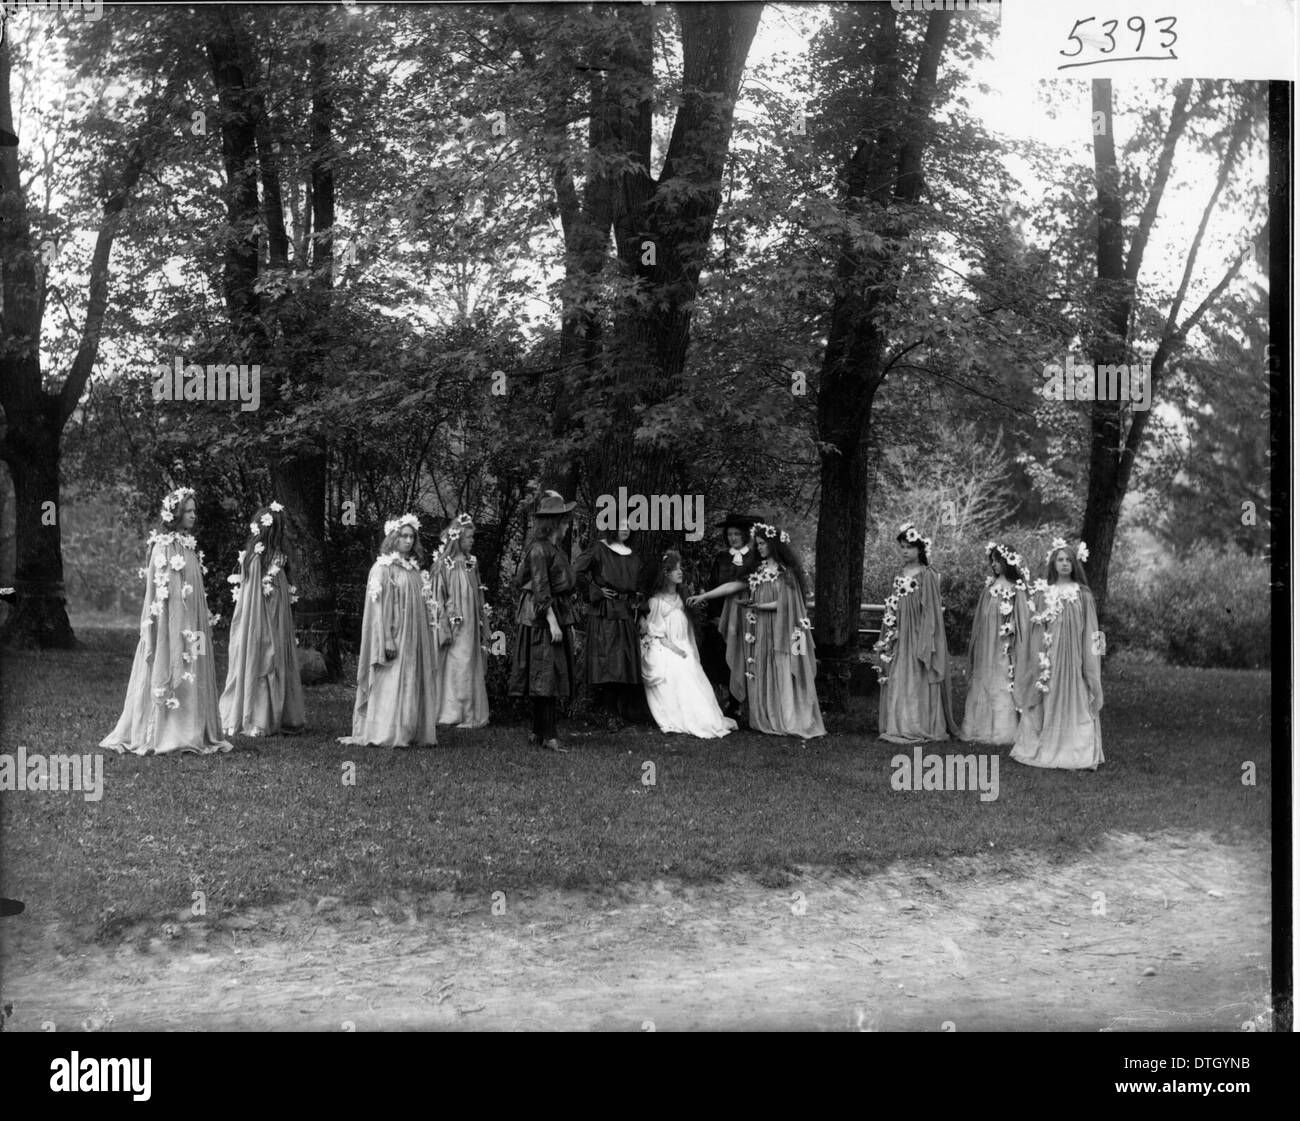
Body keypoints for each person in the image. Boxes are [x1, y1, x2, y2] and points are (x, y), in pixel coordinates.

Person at [100, 487, 233, 755]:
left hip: (195, 625)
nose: (194, 516)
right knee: (174, 666)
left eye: (195, 510)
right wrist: (178, 631)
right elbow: (164, 597)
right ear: (175, 514)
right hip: (172, 627)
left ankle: (197, 727)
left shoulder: (188, 545)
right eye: (189, 511)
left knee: (198, 665)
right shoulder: (164, 546)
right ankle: (170, 731)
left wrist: (196, 626)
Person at [339, 514, 439, 748]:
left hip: (414, 637)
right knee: (392, 680)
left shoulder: (413, 570)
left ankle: (411, 728)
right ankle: (387, 730)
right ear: (393, 537)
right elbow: (378, 609)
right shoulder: (382, 569)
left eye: (411, 536)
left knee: (410, 679)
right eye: (403, 536)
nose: (408, 541)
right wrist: (387, 639)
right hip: (395, 634)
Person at [1011, 538, 1104, 770]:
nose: (1064, 564)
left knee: (1077, 699)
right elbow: (1036, 630)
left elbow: (1093, 631)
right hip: (1049, 659)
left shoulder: (1083, 594)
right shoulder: (1043, 593)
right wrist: (1037, 658)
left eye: (1068, 560)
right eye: (1059, 560)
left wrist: (1093, 660)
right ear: (1053, 563)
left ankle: (1076, 748)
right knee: (1047, 696)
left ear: (1074, 564)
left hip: (1074, 660)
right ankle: (1046, 744)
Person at [730, 523, 825, 739]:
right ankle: (769, 714)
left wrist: (759, 606)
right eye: (758, 544)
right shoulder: (759, 571)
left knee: (784, 667)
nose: (760, 548)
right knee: (764, 667)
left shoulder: (786, 572)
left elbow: (788, 602)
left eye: (763, 544)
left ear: (773, 544)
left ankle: (789, 717)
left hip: (784, 628)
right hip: (762, 629)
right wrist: (751, 602)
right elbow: (753, 592)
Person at [219, 502, 306, 737]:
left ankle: (277, 713)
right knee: (261, 658)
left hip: (278, 615)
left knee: (276, 657)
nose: (281, 533)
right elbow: (251, 597)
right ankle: (255, 716)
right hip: (258, 616)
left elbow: (285, 587)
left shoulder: (280, 558)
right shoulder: (255, 558)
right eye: (277, 528)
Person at [873, 521, 957, 744]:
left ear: (920, 549)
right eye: (901, 547)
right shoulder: (900, 573)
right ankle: (899, 724)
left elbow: (930, 609)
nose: (904, 551)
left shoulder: (926, 574)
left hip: (918, 631)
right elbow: (893, 602)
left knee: (917, 675)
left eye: (909, 547)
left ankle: (918, 724)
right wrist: (891, 627)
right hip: (901, 630)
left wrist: (925, 637)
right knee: (900, 674)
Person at [508, 490, 579, 752]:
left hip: (550, 613)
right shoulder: (539, 549)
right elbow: (540, 586)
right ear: (556, 523)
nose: (568, 524)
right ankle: (548, 735)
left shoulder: (551, 547)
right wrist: (552, 621)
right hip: (541, 619)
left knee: (547, 674)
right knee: (546, 675)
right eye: (565, 519)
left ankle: (539, 732)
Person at [640, 550, 738, 738]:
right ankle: (682, 717)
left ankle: (705, 717)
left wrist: (687, 649)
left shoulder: (682, 598)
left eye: (680, 568)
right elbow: (657, 633)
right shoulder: (656, 601)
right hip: (666, 646)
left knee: (693, 671)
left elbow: (689, 631)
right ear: (665, 574)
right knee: (678, 670)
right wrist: (675, 649)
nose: (680, 572)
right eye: (675, 569)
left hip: (683, 644)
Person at [687, 512, 765, 720]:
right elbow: (714, 586)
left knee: (747, 657)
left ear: (745, 535)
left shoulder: (755, 557)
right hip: (722, 616)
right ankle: (727, 702)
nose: (732, 538)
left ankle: (746, 703)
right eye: (729, 534)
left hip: (748, 614)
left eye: (736, 534)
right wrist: (715, 615)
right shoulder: (722, 558)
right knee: (724, 659)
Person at [959, 542, 1030, 746]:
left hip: (1003, 643)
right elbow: (982, 615)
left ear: (1007, 561)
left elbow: (1022, 616)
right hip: (986, 642)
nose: (994, 564)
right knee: (983, 677)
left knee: (1000, 678)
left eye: (997, 560)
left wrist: (1012, 628)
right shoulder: (990, 587)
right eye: (992, 560)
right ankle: (977, 727)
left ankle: (1001, 731)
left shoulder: (1017, 588)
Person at [574, 519, 642, 727]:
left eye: (629, 525)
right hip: (606, 612)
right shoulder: (599, 550)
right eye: (621, 525)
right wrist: (595, 591)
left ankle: (622, 711)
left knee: (624, 662)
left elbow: (636, 585)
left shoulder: (632, 554)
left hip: (625, 612)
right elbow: (576, 571)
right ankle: (609, 713)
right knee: (609, 664)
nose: (625, 529)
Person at [432, 513, 490, 729]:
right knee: (454, 663)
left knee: (467, 661)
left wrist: (483, 619)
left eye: (473, 537)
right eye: (469, 538)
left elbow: (479, 594)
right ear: (457, 539)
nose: (472, 541)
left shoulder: (471, 563)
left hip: (470, 622)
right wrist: (443, 621)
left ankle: (468, 712)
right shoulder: (445, 564)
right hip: (453, 620)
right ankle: (450, 711)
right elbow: (439, 596)